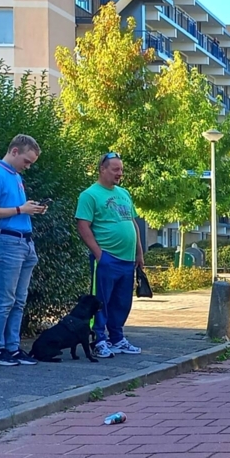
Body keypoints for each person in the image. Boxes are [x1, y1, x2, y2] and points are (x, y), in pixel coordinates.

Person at [0, 134, 47, 366]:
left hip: (25, 242)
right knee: (5, 299)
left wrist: (31, 210)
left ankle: (12, 347)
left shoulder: (16, 176)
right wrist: (21, 209)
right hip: (9, 241)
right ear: (15, 151)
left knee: (19, 300)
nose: (27, 166)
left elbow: (15, 209)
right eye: (27, 161)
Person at [75, 152, 144, 359]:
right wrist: (99, 255)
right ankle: (98, 340)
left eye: (121, 169)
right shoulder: (89, 195)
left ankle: (117, 338)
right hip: (107, 259)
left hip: (127, 260)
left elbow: (132, 223)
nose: (119, 173)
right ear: (102, 169)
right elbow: (83, 226)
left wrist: (139, 252)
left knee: (122, 302)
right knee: (100, 301)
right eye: (115, 169)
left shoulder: (124, 193)